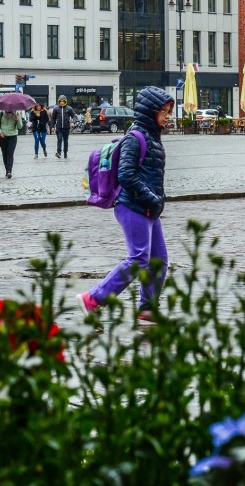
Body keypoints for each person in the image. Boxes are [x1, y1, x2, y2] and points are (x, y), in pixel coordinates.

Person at [75, 86, 175, 324]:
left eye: (169, 111)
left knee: (158, 260)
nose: (168, 116)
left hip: (149, 207)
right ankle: (92, 299)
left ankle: (147, 309)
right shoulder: (136, 137)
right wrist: (151, 197)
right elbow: (127, 176)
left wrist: (155, 201)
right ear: (151, 111)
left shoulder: (153, 137)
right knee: (139, 258)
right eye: (165, 111)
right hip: (131, 205)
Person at [0, 110, 23, 179]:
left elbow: (20, 127)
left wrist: (17, 120)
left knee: (10, 153)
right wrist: (0, 132)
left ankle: (9, 171)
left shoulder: (17, 113)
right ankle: (7, 170)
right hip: (3, 136)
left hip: (13, 136)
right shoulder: (1, 113)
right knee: (5, 154)